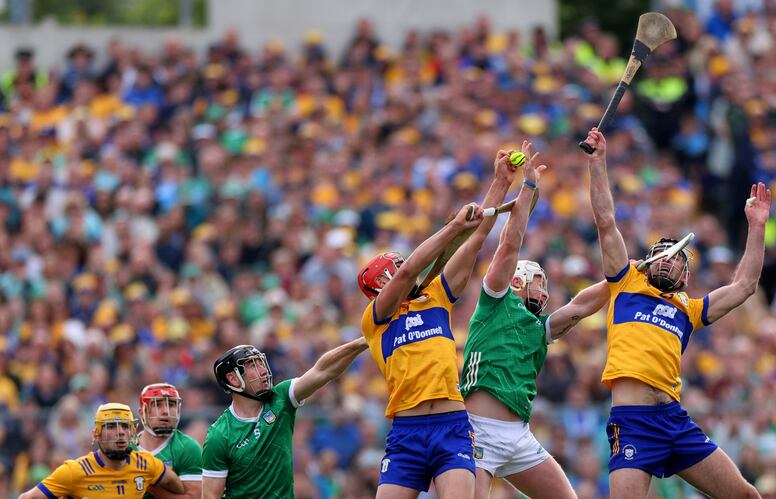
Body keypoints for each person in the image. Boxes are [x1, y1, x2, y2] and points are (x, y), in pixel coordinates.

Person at [582, 128, 768, 498]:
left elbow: (744, 286)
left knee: (747, 495)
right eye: (662, 254)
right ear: (648, 261)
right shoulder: (624, 282)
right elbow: (605, 220)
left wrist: (757, 227)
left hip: (674, 421)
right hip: (632, 423)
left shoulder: (689, 309)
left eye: (677, 258)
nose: (668, 260)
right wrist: (598, 163)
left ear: (686, 275)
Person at [358, 148, 517, 498]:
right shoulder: (377, 319)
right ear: (381, 284)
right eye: (394, 268)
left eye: (401, 264)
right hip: (406, 431)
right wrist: (453, 228)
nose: (403, 268)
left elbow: (476, 240)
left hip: (452, 427)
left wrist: (500, 183)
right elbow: (412, 270)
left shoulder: (436, 298)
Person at [461, 140, 609, 499]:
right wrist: (527, 186)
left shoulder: (539, 327)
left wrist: (625, 277)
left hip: (519, 436)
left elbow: (579, 308)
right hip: (477, 431)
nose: (545, 292)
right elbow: (509, 245)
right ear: (517, 281)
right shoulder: (495, 298)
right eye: (539, 281)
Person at [201, 340, 368, 498]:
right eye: (253, 365)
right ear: (233, 379)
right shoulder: (219, 435)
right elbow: (210, 496)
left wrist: (364, 340)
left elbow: (323, 370)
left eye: (261, 363)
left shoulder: (280, 398)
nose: (264, 370)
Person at [19, 402, 184, 499]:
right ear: (96, 435)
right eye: (111, 426)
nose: (120, 432)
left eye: (125, 426)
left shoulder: (147, 465)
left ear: (132, 432)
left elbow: (177, 487)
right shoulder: (74, 472)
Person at [136, 383, 202, 499]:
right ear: (142, 413)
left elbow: (194, 497)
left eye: (171, 405)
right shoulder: (126, 448)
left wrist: (149, 486)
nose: (165, 411)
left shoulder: (188, 448)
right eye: (157, 405)